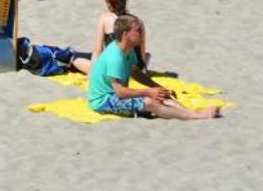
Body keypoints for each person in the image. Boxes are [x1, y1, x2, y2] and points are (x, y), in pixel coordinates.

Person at [88, 16, 218, 120]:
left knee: (161, 96)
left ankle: (190, 112)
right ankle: (197, 116)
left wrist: (157, 88)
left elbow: (135, 72)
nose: (142, 33)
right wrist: (149, 92)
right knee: (150, 102)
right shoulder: (115, 56)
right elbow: (120, 92)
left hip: (118, 95)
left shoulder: (129, 49)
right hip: (103, 101)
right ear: (126, 34)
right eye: (138, 31)